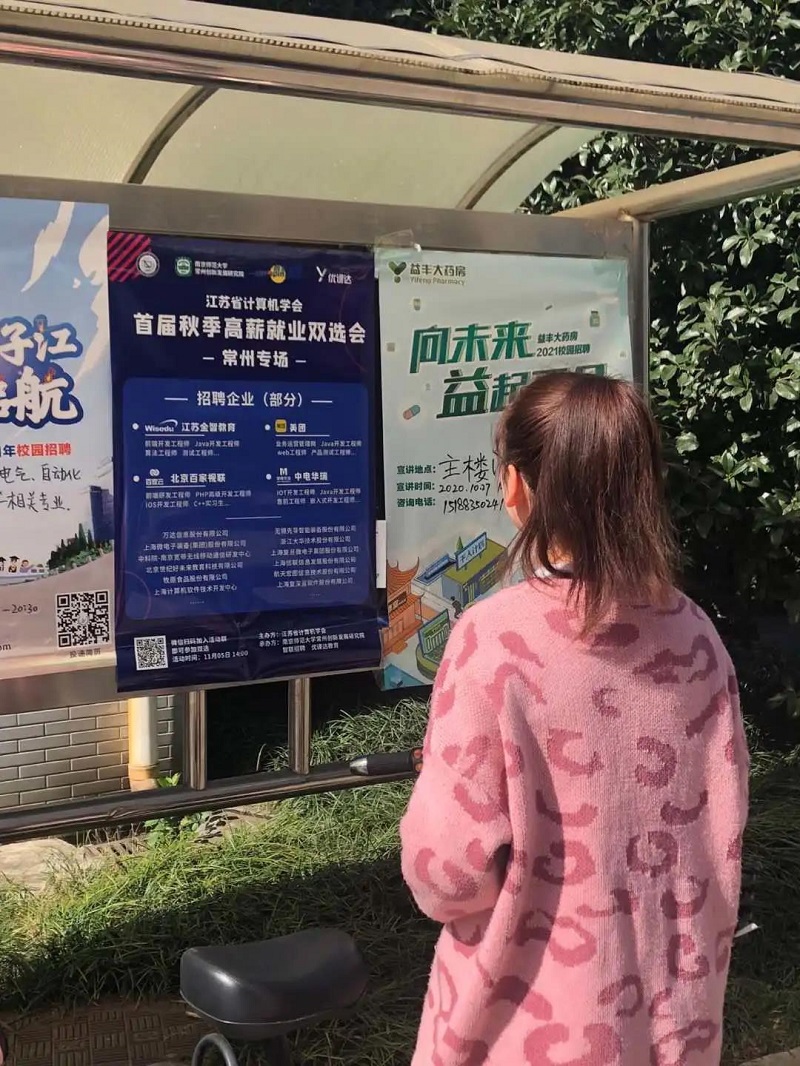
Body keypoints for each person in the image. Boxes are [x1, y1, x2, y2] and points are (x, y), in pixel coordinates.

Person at [400, 371, 748, 1066]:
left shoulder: (492, 642)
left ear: (516, 487)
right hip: (671, 1021)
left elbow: (447, 874)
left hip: (522, 1026)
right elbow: (723, 828)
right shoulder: (696, 636)